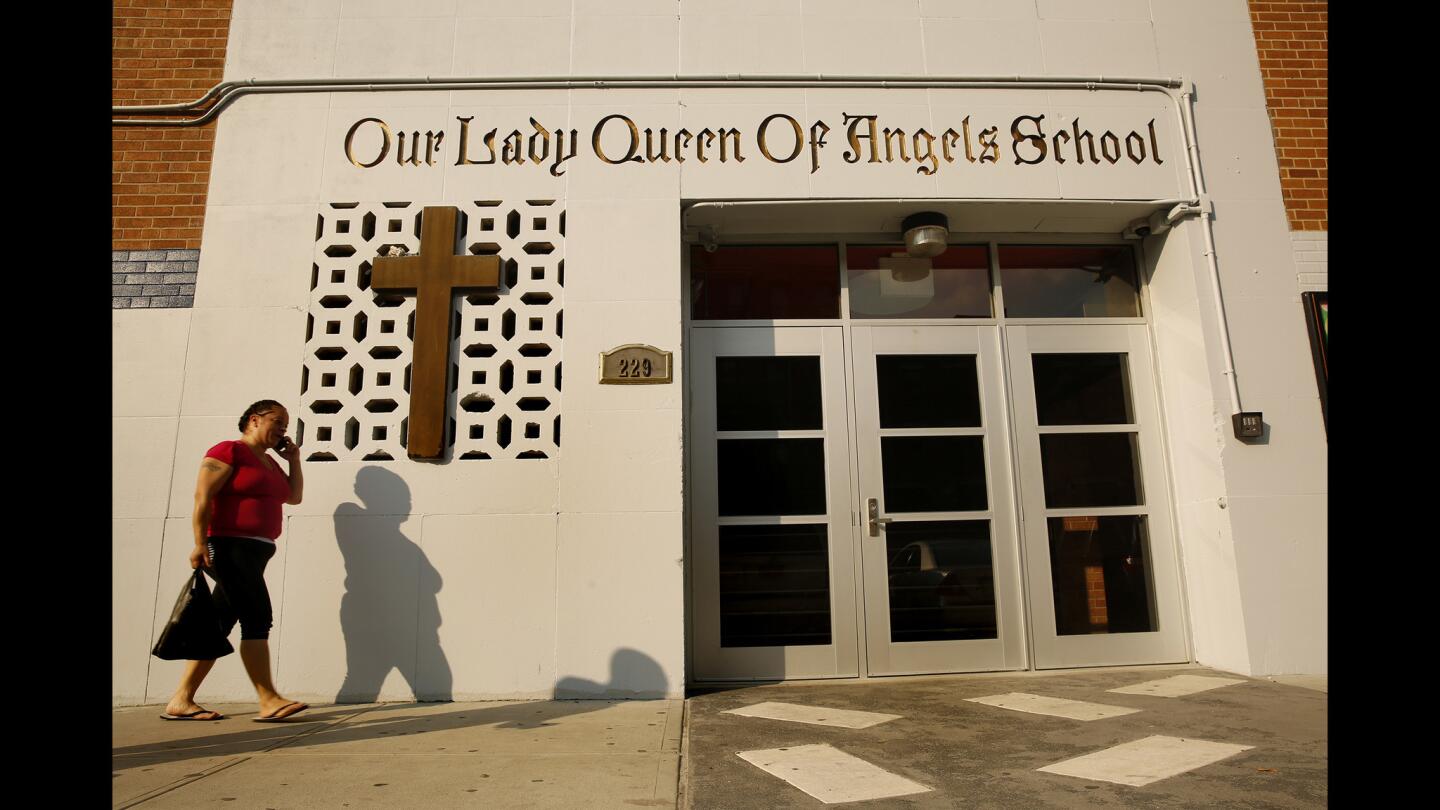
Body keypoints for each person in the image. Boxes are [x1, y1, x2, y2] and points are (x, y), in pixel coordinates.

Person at [161, 400, 309, 722]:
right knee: (257, 616)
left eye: (286, 425)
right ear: (254, 420)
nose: (283, 429)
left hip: (258, 552)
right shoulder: (229, 451)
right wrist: (200, 543)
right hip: (228, 547)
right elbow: (203, 497)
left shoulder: (269, 462)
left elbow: (293, 496)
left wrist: (293, 460)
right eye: (278, 421)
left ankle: (182, 699)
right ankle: (268, 698)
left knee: (219, 624)